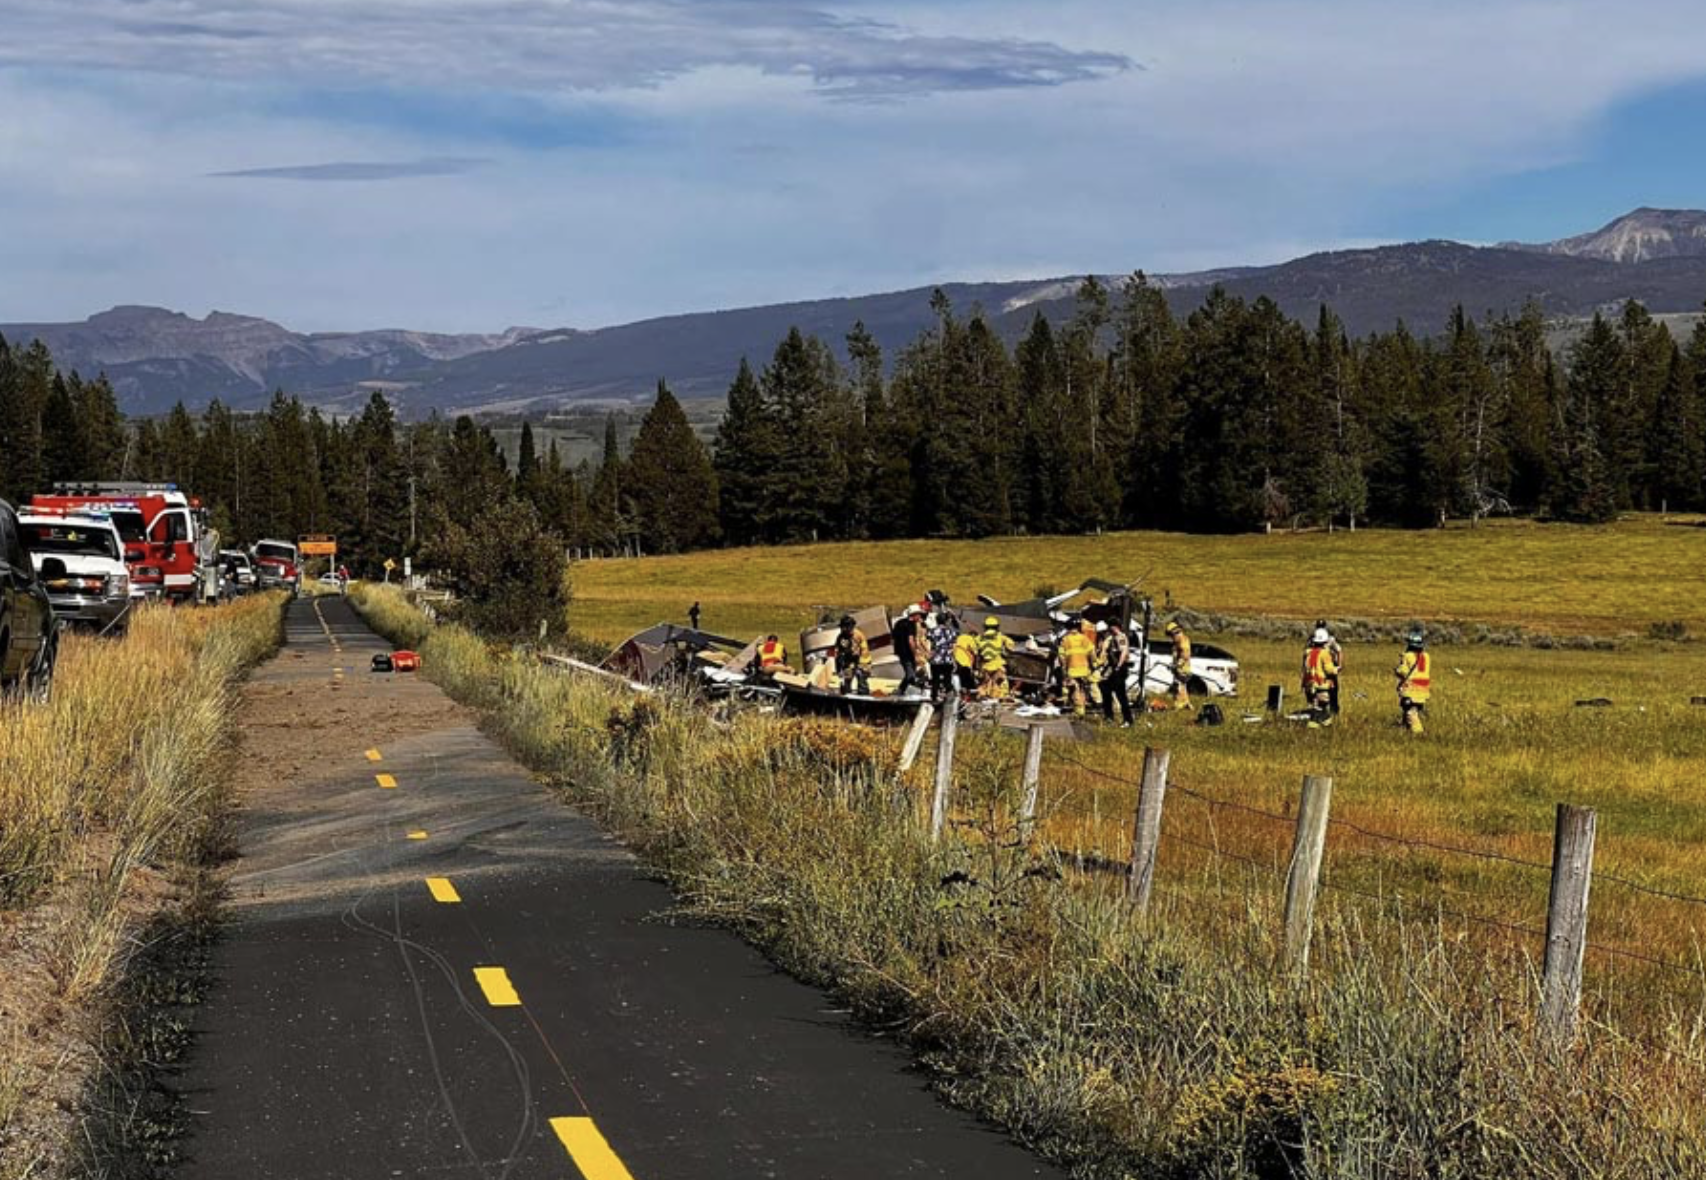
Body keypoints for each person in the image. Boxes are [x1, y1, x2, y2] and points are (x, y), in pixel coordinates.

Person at [1097, 620, 1134, 727]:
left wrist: (1119, 666)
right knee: (1104, 688)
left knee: (1121, 694)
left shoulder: (1121, 637)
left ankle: (1128, 720)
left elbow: (1124, 651)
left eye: (1110, 627)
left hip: (1119, 669)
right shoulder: (1112, 638)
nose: (1109, 629)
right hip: (1113, 668)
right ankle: (1109, 716)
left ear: (1115, 626)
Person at [1394, 629, 1432, 734]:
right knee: (1410, 710)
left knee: (1410, 712)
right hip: (1424, 688)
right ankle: (1404, 730)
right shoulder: (1426, 656)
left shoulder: (1407, 656)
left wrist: (1397, 669)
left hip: (1411, 688)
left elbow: (1403, 672)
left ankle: (1418, 733)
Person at [1057, 621, 1097, 717]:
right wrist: (1093, 664)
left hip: (1072, 669)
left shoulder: (1065, 640)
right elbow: (1092, 653)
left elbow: (1061, 656)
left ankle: (1078, 712)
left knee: (1074, 690)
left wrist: (1063, 668)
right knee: (1082, 689)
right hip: (1084, 669)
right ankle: (1082, 709)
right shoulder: (1084, 638)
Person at [1302, 627, 1339, 727]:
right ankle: (1313, 723)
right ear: (1325, 642)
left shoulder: (1308, 652)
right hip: (1320, 684)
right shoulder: (1324, 654)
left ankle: (1326, 721)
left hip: (1309, 683)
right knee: (1322, 703)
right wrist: (1336, 669)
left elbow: (1305, 668)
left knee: (1316, 702)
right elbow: (1329, 670)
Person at [976, 616, 1016, 700]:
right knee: (1001, 686)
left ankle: (982, 697)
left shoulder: (979, 638)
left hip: (985, 667)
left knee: (984, 686)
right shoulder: (1000, 636)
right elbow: (1011, 646)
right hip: (998, 666)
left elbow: (976, 651)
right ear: (997, 627)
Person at [833, 615, 872, 695]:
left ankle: (863, 694)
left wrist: (860, 665)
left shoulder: (859, 635)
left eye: (846, 627)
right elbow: (838, 653)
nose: (843, 629)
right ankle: (846, 693)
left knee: (861, 676)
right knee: (847, 678)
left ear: (851, 627)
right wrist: (839, 668)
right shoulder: (840, 637)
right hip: (849, 661)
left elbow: (864, 651)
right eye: (842, 627)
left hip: (862, 661)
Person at [891, 604, 925, 693]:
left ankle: (903, 689)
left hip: (900, 652)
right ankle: (906, 690)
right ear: (914, 614)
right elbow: (911, 641)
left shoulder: (898, 623)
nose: (920, 616)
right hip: (908, 653)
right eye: (919, 614)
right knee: (911, 674)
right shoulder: (911, 625)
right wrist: (915, 653)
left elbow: (893, 638)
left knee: (910, 672)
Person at [926, 611, 960, 701]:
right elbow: (954, 645)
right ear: (946, 621)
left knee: (935, 679)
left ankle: (934, 697)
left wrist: (928, 655)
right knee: (947, 680)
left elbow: (928, 643)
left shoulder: (932, 631)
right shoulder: (951, 631)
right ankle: (948, 697)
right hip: (947, 659)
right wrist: (954, 659)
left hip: (936, 659)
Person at [1317, 619, 1344, 715]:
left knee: (1333, 690)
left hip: (1329, 667)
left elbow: (1339, 651)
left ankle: (1334, 710)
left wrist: (1339, 665)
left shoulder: (1330, 639)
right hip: (1319, 667)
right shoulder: (1312, 639)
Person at [1166, 621, 1193, 710]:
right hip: (1180, 668)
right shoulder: (1179, 641)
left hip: (1182, 669)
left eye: (1172, 635)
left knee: (1179, 687)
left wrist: (1177, 665)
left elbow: (1184, 656)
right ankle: (1187, 703)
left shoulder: (1183, 642)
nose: (1171, 638)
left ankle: (1178, 704)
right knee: (1183, 687)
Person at [953, 626, 981, 696]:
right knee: (967, 677)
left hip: (956, 658)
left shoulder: (960, 637)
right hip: (965, 660)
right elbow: (975, 652)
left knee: (960, 676)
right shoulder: (971, 639)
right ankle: (970, 692)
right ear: (973, 635)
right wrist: (976, 667)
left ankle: (961, 691)